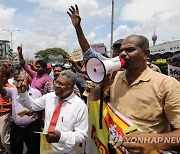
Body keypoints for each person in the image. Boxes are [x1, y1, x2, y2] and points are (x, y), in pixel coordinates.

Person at [68, 5, 180, 153]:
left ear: (146, 54)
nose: (122, 54)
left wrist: (154, 142)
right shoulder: (115, 78)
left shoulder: (166, 85)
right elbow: (93, 100)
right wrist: (102, 86)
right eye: (121, 50)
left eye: (130, 50)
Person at [17, 70, 88, 154]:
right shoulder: (49, 97)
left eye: (61, 84)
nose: (56, 86)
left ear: (71, 87)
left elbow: (82, 135)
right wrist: (23, 93)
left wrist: (61, 137)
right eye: (56, 82)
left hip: (65, 152)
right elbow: (32, 106)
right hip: (46, 149)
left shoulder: (80, 106)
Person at [0, 65, 42, 154]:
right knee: (15, 149)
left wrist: (33, 111)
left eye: (22, 80)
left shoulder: (36, 93)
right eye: (18, 80)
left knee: (34, 150)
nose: (19, 82)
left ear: (29, 81)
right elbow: (1, 90)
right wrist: (2, 74)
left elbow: (41, 108)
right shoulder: (13, 90)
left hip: (32, 127)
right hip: (16, 128)